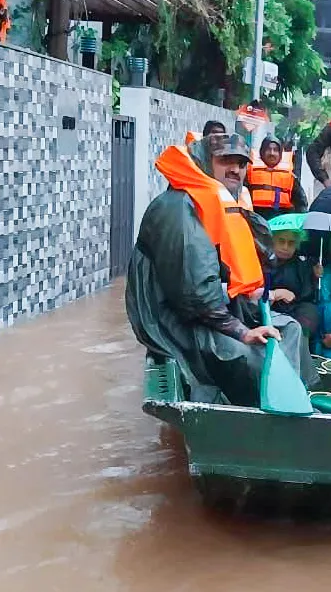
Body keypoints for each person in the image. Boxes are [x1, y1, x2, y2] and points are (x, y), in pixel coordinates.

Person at [125, 127, 317, 406]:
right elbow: (195, 294)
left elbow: (249, 256)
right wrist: (242, 331)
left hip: (212, 310)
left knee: (290, 329)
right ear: (204, 162)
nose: (236, 170)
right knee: (251, 359)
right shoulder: (177, 209)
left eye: (241, 164)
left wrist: (253, 296)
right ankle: (262, 417)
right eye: (226, 161)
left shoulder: (220, 201)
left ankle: (295, 400)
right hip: (176, 321)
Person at [267, 229, 320, 338]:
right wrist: (275, 294)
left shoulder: (302, 265)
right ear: (273, 241)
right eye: (281, 241)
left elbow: (307, 295)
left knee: (309, 314)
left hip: (295, 308)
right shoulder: (262, 261)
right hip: (268, 308)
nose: (285, 247)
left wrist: (315, 278)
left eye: (291, 243)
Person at [247, 134, 307, 221]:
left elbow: (301, 204)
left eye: (275, 150)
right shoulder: (249, 174)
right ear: (262, 152)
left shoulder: (291, 177)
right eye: (268, 149)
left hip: (281, 221)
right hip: (256, 219)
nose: (272, 153)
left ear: (280, 154)